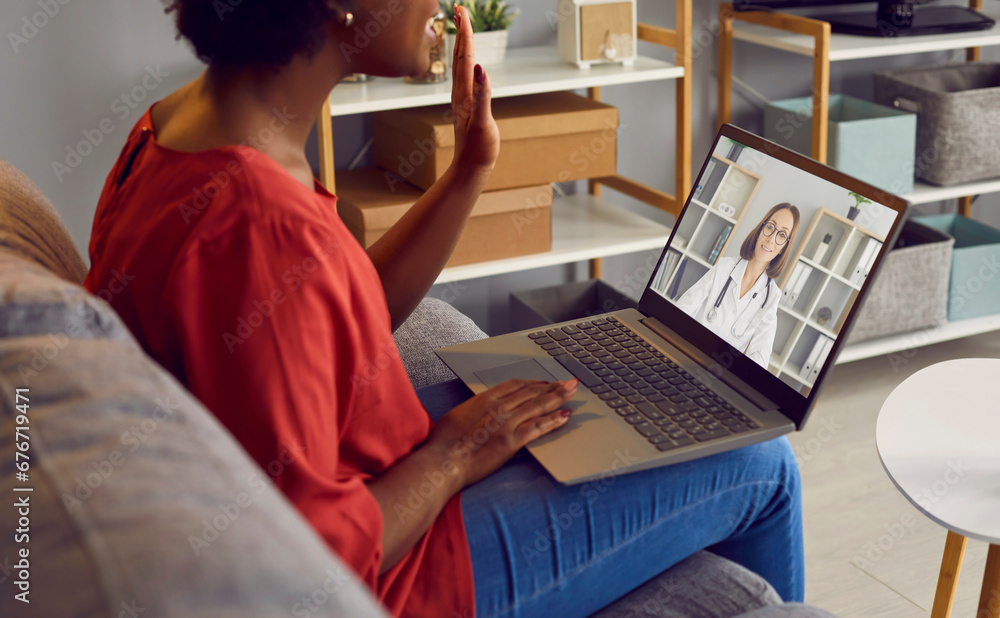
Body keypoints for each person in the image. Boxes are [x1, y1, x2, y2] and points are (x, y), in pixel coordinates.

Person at [84, 1, 804, 616]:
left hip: (361, 478)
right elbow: (311, 562)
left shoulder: (174, 129)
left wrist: (469, 170)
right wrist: (455, 453)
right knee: (761, 457)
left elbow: (337, 315)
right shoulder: (258, 223)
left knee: (620, 398)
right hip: (401, 576)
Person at [676, 204, 800, 369]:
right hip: (688, 353)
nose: (771, 239)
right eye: (770, 227)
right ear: (760, 230)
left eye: (782, 235)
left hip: (719, 373)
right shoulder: (725, 267)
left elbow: (761, 356)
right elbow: (683, 308)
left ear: (783, 248)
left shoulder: (771, 297)